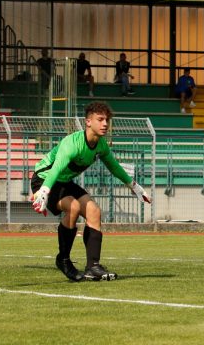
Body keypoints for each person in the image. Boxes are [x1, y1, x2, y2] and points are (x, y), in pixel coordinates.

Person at [31, 102, 151, 281]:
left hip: (64, 181)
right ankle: (63, 260)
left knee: (94, 211)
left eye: (107, 120)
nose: (105, 124)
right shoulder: (72, 143)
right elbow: (56, 169)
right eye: (100, 119)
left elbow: (114, 167)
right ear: (88, 122)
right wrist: (44, 191)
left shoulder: (101, 145)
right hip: (45, 179)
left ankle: (93, 267)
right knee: (73, 206)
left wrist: (134, 186)